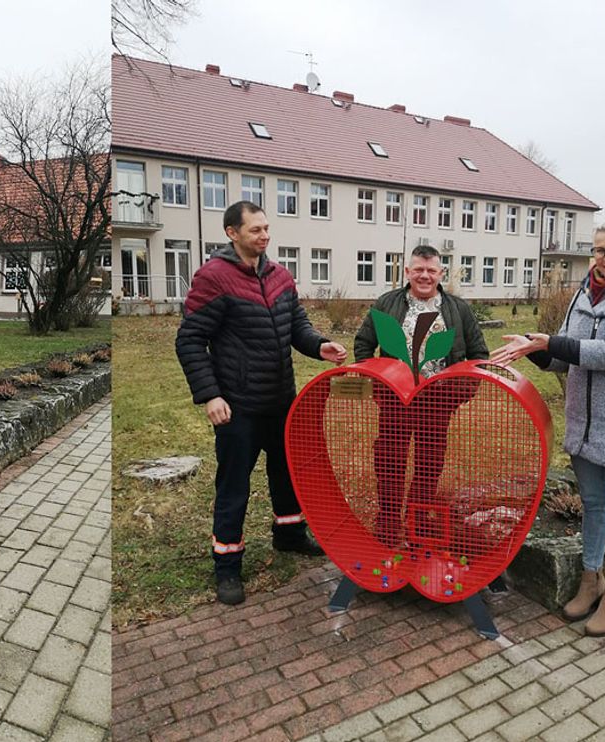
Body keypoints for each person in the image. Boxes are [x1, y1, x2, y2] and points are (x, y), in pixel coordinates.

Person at [491, 213, 605, 637]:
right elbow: (565, 355)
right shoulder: (585, 292)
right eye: (599, 250)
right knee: (592, 504)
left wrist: (551, 342)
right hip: (584, 422)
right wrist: (534, 350)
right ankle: (592, 579)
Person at [176, 201, 347, 605]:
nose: (264, 236)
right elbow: (188, 340)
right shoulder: (214, 278)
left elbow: (296, 327)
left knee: (288, 473)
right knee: (234, 486)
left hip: (280, 400)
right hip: (237, 406)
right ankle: (227, 567)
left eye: (266, 228)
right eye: (255, 230)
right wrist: (211, 395)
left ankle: (289, 535)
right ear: (232, 233)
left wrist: (319, 344)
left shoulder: (280, 275)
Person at [354, 245, 489, 548]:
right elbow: (363, 344)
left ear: (440, 273)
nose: (424, 276)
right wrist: (377, 383)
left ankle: (417, 521)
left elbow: (479, 355)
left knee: (429, 463)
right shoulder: (387, 304)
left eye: (431, 270)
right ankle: (388, 523)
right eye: (418, 270)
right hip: (395, 400)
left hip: (437, 402)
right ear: (407, 272)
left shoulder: (458, 309)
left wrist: (460, 393)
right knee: (389, 460)